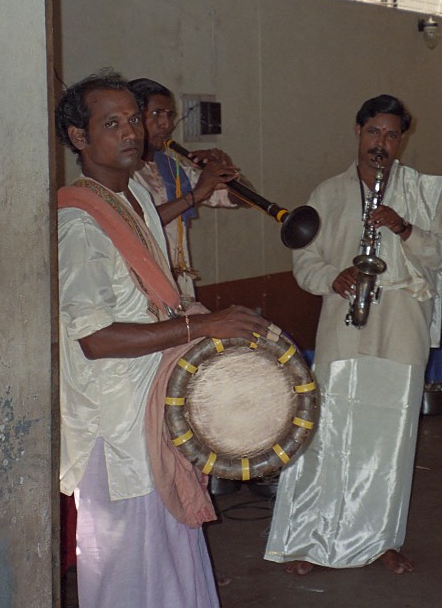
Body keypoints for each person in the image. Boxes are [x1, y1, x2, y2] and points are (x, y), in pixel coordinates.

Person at [56, 70, 274, 607]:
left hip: (152, 410)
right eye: (113, 123)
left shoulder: (131, 201)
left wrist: (199, 196)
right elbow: (94, 340)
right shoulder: (77, 225)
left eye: (134, 119)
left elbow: (156, 277)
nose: (132, 132)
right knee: (127, 563)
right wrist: (201, 325)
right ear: (79, 138)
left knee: (171, 550)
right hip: (115, 425)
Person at [264, 94, 442, 575]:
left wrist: (405, 227)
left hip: (402, 324)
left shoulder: (422, 190)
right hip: (344, 320)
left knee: (390, 435)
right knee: (326, 427)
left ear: (402, 140)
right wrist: (333, 277)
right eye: (374, 132)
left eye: (392, 135)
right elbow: (304, 260)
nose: (382, 143)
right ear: (358, 132)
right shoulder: (327, 193)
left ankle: (380, 541)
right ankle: (305, 538)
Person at [128, 77, 249, 299]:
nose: (167, 124)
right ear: (133, 118)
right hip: (139, 288)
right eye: (156, 113)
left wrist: (225, 171)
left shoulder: (172, 168)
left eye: (169, 114)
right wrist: (196, 194)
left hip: (178, 284)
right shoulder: (121, 172)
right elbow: (136, 223)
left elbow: (239, 198)